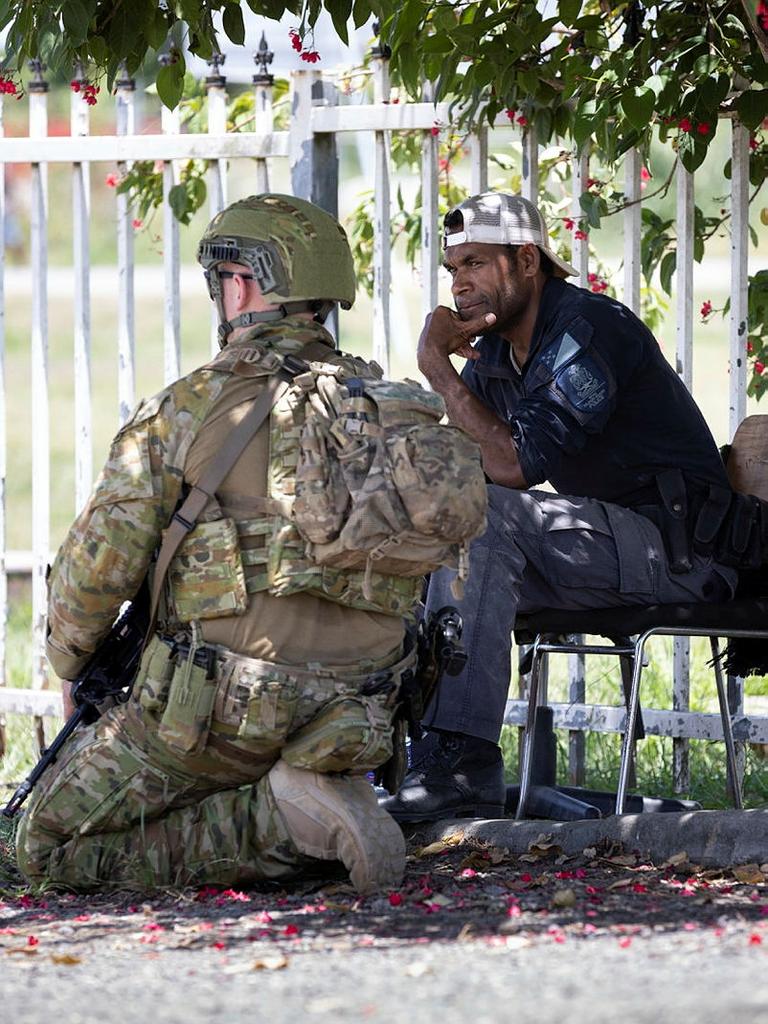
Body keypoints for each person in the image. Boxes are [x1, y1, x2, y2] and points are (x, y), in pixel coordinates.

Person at [16, 194, 419, 893]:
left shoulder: (193, 405)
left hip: (221, 714)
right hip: (364, 707)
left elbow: (95, 572)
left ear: (240, 285)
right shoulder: (387, 407)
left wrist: (68, 661)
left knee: (40, 849)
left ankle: (285, 824)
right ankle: (310, 798)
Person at [380, 190, 758, 823]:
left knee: (487, 518)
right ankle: (394, 756)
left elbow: (514, 467)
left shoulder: (587, 330)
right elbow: (464, 466)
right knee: (424, 530)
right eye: (452, 270)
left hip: (682, 548)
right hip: (613, 545)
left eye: (475, 263)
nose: (460, 285)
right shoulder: (497, 356)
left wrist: (435, 368)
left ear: (526, 261)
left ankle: (461, 766)